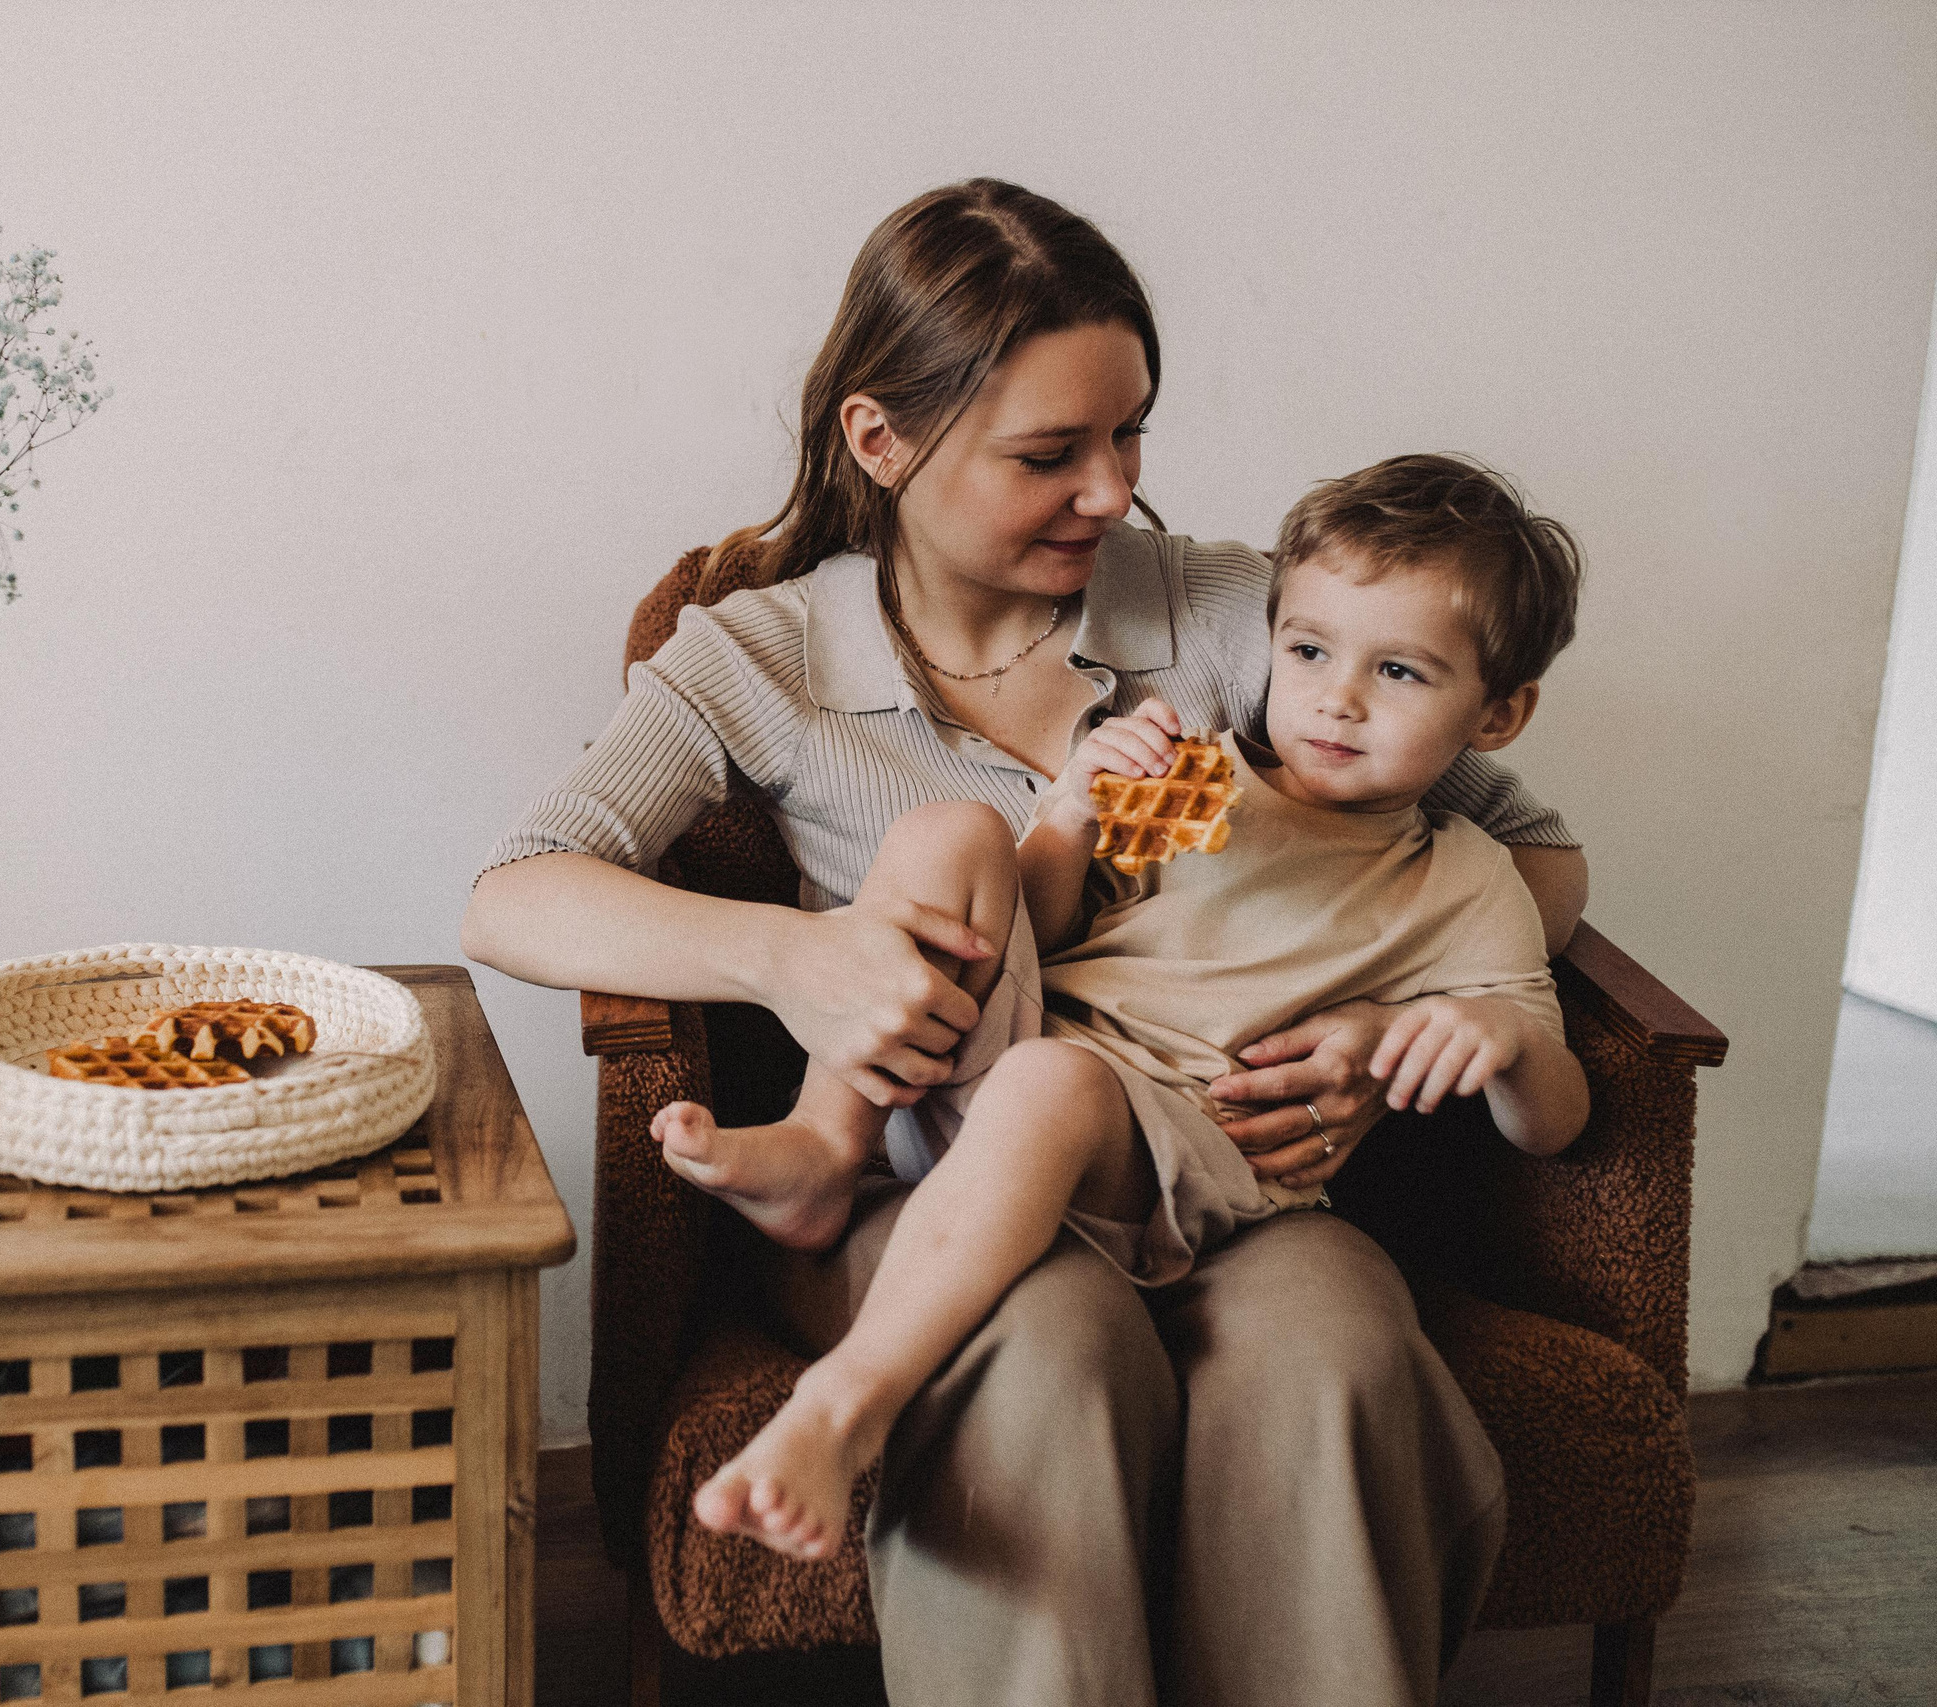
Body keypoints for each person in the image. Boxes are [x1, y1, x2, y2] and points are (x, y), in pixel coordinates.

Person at [463, 179, 1587, 1706]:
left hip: (1222, 1166)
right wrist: (795, 959)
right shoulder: (759, 650)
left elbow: (1523, 863)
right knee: (1053, 1341)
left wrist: (1380, 1043)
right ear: (882, 441)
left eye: (1132, 434)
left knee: (1334, 1342)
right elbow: (518, 892)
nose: (1111, 490)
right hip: (918, 1181)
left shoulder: (1235, 614)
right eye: (1050, 454)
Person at [657, 453, 1592, 1570]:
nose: (1336, 698)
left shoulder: (1469, 880)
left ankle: (847, 1405)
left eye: (1398, 671)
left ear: (1499, 712)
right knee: (948, 834)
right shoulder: (1204, 781)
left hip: (1188, 1160)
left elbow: (1557, 1120)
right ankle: (824, 1145)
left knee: (1054, 1083)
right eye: (1306, 652)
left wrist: (1504, 1043)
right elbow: (1045, 932)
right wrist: (1067, 815)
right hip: (1007, 1087)